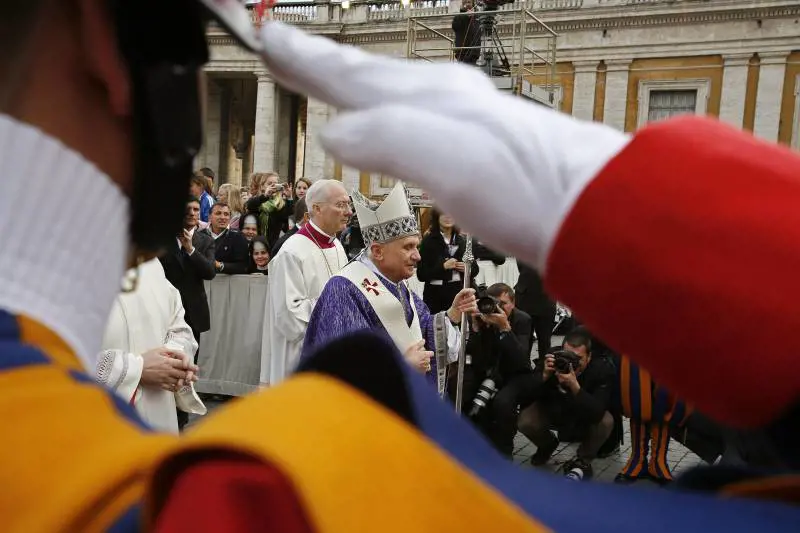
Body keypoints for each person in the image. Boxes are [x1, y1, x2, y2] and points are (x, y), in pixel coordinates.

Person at [3, 6, 799, 530]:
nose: (414, 251)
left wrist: (441, 330)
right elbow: (308, 334)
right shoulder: (280, 491)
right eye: (404, 244)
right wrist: (649, 206)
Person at [303, 182, 477, 391]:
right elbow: (342, 368)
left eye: (417, 246)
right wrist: (402, 368)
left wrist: (453, 314)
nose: (417, 256)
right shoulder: (344, 290)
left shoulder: (399, 285)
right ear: (377, 251)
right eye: (408, 247)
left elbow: (423, 329)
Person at [97, 258, 206, 433]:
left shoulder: (150, 261)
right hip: (101, 418)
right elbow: (53, 357)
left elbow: (178, 324)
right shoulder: (61, 264)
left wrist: (173, 359)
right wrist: (134, 369)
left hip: (159, 407)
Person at [262, 179, 350, 385]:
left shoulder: (337, 245)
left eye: (348, 204)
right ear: (317, 209)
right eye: (340, 205)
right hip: (301, 357)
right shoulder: (291, 252)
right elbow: (289, 316)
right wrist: (335, 305)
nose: (348, 212)